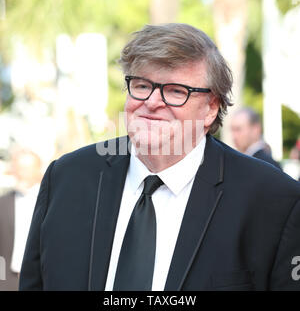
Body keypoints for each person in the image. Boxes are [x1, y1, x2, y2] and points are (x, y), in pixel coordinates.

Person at [19, 23, 300, 291]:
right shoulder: (67, 178)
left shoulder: (273, 200)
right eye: (141, 86)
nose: (152, 102)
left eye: (176, 91)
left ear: (210, 109)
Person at [0, 148, 42, 290]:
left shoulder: (50, 201)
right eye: (18, 168)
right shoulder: (3, 202)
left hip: (41, 279)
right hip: (8, 281)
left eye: (27, 168)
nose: (22, 173)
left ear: (38, 169)